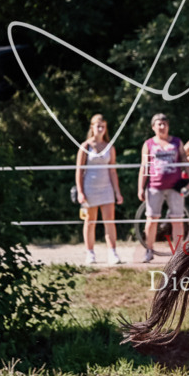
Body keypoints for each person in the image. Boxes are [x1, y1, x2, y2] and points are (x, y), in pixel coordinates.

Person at [75, 113, 124, 265]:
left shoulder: (110, 147)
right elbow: (79, 170)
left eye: (103, 126)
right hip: (89, 188)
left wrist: (117, 192)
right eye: (98, 126)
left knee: (109, 221)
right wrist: (80, 191)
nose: (101, 129)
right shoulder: (85, 146)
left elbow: (112, 170)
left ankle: (112, 252)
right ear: (92, 127)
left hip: (106, 188)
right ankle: (90, 253)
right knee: (90, 222)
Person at [137, 113, 186, 263]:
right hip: (154, 186)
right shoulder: (148, 144)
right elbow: (144, 166)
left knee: (177, 220)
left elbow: (184, 160)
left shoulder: (177, 142)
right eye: (159, 124)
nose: (162, 126)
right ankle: (149, 250)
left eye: (165, 123)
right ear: (153, 127)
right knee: (151, 219)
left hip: (175, 186)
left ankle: (178, 254)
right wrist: (140, 187)